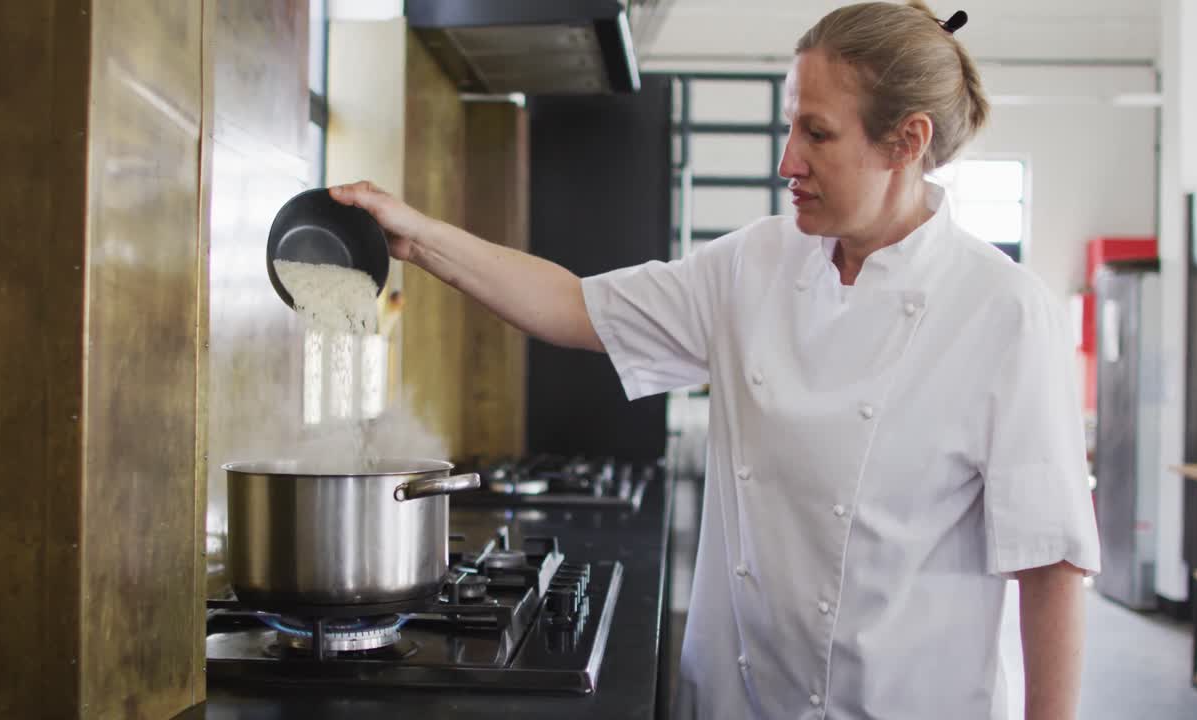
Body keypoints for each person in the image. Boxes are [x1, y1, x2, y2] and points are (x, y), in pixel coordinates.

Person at [330, 2, 1100, 717]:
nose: (786, 161)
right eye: (788, 126)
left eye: (818, 134)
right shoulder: (756, 264)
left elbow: (1052, 565)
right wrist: (417, 237)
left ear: (907, 142)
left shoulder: (1003, 311)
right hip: (740, 698)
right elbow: (572, 305)